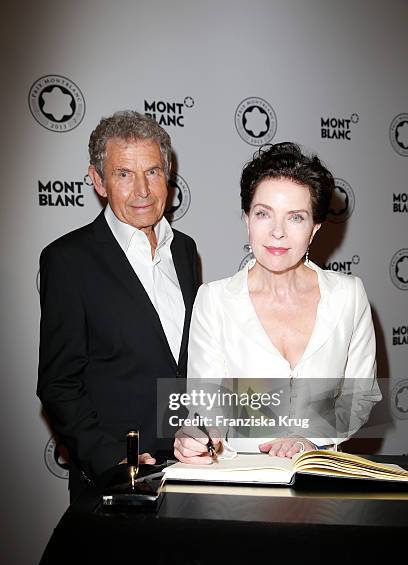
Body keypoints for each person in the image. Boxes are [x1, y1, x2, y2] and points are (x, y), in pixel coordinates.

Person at [174, 142, 380, 464]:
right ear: (246, 219)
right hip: (241, 483)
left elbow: (360, 395)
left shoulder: (348, 296)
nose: (277, 232)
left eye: (295, 217)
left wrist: (311, 437)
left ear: (314, 229)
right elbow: (206, 406)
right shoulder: (214, 301)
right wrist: (198, 435)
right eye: (263, 214)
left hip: (321, 477)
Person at [37, 111, 199, 499]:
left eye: (153, 172)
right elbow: (58, 384)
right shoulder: (68, 260)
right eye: (124, 174)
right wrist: (113, 460)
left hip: (191, 469)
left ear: (169, 172)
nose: (142, 190)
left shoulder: (185, 250)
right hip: (117, 481)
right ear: (98, 181)